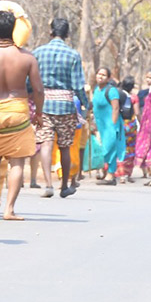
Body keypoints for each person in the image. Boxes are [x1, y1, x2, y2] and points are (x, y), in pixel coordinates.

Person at [0, 10, 42, 218]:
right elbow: (38, 90)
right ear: (14, 29)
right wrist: (38, 112)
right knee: (17, 162)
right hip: (18, 112)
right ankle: (9, 209)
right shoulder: (27, 57)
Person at [32, 18, 91, 198]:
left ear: (50, 33)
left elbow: (30, 81)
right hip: (66, 104)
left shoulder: (38, 52)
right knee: (65, 146)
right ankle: (64, 185)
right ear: (67, 35)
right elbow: (78, 85)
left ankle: (48, 185)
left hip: (44, 104)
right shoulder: (73, 55)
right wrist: (85, 105)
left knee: (46, 143)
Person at [87, 67, 123, 186]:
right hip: (100, 125)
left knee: (109, 149)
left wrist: (113, 124)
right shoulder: (97, 90)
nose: (100, 76)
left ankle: (111, 175)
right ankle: (107, 172)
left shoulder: (111, 90)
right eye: (98, 74)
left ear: (108, 78)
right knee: (104, 149)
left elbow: (115, 108)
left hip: (110, 125)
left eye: (103, 75)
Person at [117, 76, 138, 181]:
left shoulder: (118, 94)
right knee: (129, 149)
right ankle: (127, 173)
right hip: (131, 125)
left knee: (119, 148)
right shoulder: (133, 97)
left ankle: (119, 172)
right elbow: (137, 112)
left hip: (119, 124)